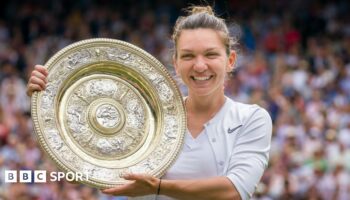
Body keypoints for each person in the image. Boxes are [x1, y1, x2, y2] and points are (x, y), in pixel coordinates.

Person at [27, 5, 272, 200]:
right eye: (188, 56)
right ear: (175, 63)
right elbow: (82, 172)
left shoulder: (250, 119)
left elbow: (233, 191)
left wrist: (157, 188)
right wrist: (47, 99)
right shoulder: (147, 119)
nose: (199, 65)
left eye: (210, 54)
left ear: (230, 60)